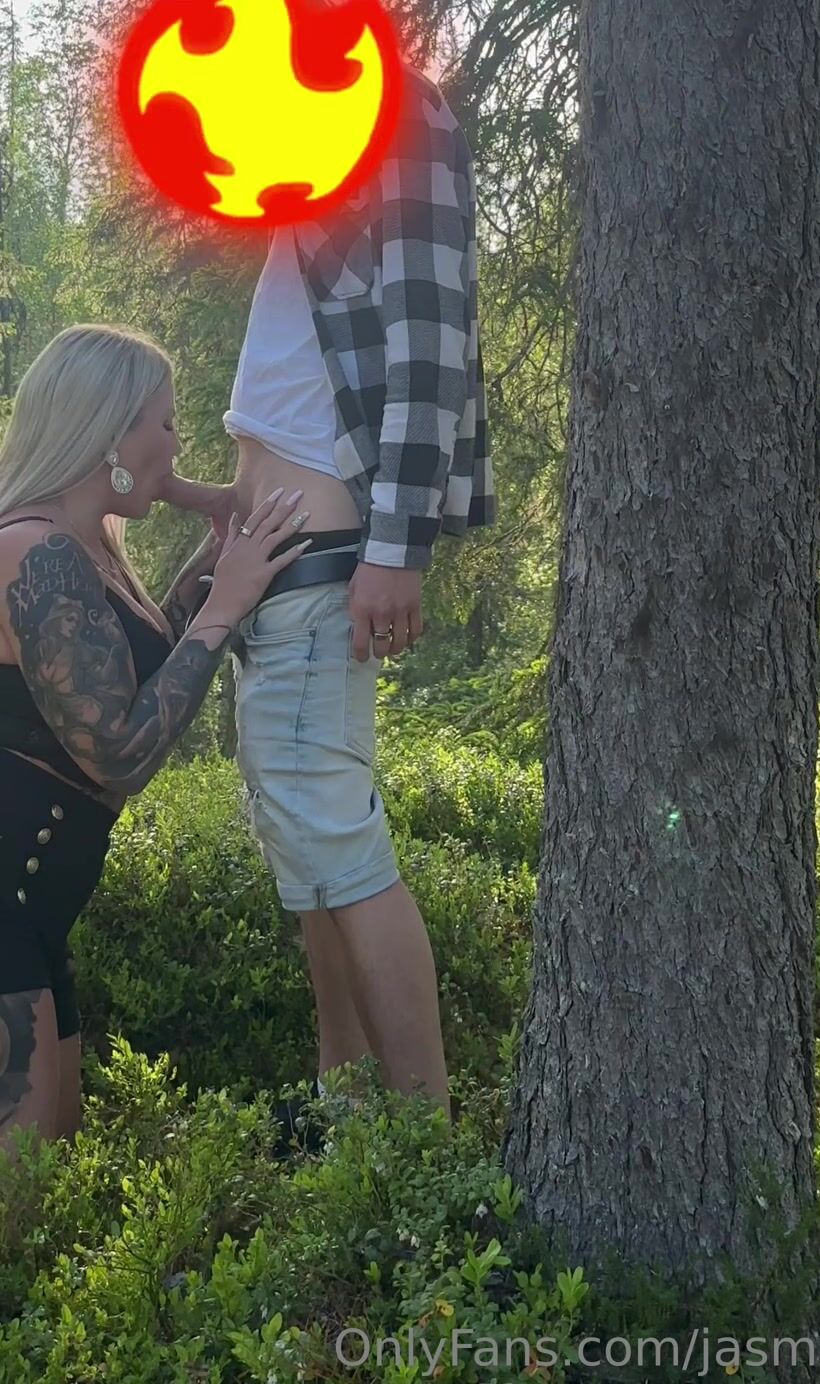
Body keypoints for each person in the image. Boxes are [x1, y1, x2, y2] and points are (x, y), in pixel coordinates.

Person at [166, 59, 495, 1121]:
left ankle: (423, 1147)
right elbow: (304, 400)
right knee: (309, 852)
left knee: (340, 852)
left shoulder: (393, 102)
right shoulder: (318, 134)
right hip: (280, 567)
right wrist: (214, 503)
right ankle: (347, 1117)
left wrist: (397, 548)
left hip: (324, 564)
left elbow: (430, 341)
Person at [0, 323, 310, 1153]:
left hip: (35, 911)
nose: (178, 444)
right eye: (165, 423)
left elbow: (130, 680)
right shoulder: (35, 553)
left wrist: (211, 563)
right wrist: (225, 604)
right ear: (109, 430)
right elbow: (120, 750)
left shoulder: (85, 551)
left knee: (50, 1176)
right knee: (19, 1197)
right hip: (8, 902)